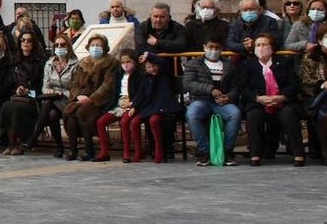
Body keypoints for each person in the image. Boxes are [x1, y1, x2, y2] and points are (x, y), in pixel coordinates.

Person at [237, 34, 303, 167]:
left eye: (265, 44)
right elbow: (243, 88)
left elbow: (294, 84)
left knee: (288, 113)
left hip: (282, 101)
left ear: (272, 47)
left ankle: (298, 153)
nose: (261, 48)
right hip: (258, 102)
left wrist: (282, 97)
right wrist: (258, 98)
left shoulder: (284, 62)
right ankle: (255, 154)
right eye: (258, 45)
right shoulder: (247, 65)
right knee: (253, 115)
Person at [182, 37, 241, 167]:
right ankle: (205, 151)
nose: (213, 50)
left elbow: (235, 87)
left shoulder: (229, 65)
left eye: (217, 48)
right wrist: (210, 89)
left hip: (222, 102)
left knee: (235, 114)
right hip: (201, 100)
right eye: (211, 47)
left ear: (222, 49)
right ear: (204, 47)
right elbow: (188, 84)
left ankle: (226, 151)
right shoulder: (194, 64)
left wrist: (229, 97)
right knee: (192, 114)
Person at [62, 34, 120, 161]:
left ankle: (89, 150)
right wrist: (78, 95)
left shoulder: (111, 63)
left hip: (101, 99)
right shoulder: (82, 63)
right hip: (82, 97)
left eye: (98, 45)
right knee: (70, 113)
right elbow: (74, 83)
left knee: (83, 112)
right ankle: (73, 149)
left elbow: (107, 85)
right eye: (93, 45)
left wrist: (91, 98)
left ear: (104, 47)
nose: (95, 48)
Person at [298, 24, 327, 164]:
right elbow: (306, 81)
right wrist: (324, 84)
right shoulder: (311, 56)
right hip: (317, 96)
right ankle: (326, 150)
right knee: (325, 114)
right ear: (319, 40)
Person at [25, 32, 76, 157]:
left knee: (48, 105)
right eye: (57, 45)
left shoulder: (75, 64)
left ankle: (34, 137)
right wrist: (48, 91)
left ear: (68, 46)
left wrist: (61, 93)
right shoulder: (49, 64)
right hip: (53, 99)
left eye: (62, 45)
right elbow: (45, 85)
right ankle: (59, 146)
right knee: (52, 113)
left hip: (68, 99)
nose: (59, 47)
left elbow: (76, 87)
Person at [126, 54, 178, 163]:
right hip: (148, 106)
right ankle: (138, 150)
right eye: (149, 67)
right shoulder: (145, 79)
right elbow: (140, 95)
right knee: (134, 122)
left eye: (154, 66)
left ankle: (158, 147)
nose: (152, 69)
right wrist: (134, 106)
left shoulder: (164, 75)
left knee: (154, 120)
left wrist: (149, 56)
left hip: (162, 106)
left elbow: (163, 63)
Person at [0, 29, 45, 154]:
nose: (26, 43)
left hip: (34, 98)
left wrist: (28, 92)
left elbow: (41, 87)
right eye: (23, 40)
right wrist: (17, 89)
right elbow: (9, 83)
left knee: (17, 108)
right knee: (6, 106)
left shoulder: (40, 62)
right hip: (17, 96)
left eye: (29, 41)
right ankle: (11, 143)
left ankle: (19, 144)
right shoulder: (14, 61)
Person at [91, 48, 137, 162]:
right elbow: (116, 92)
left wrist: (133, 104)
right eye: (123, 62)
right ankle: (104, 151)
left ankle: (127, 152)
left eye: (128, 62)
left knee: (125, 122)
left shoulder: (139, 75)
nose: (125, 65)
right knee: (101, 121)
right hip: (119, 104)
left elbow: (141, 93)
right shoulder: (119, 74)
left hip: (131, 104)